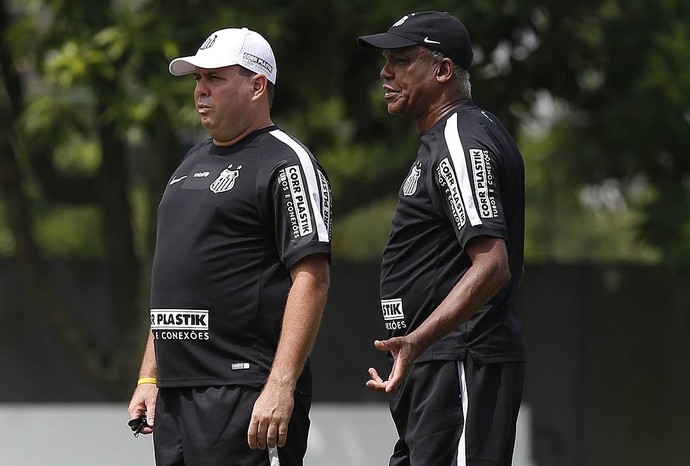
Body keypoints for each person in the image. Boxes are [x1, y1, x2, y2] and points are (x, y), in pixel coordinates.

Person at [127, 27, 332, 466]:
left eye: (215, 79)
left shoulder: (285, 161)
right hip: (178, 396)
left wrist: (280, 385)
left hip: (245, 392)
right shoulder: (190, 161)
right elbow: (176, 280)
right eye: (197, 80)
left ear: (257, 85)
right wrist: (150, 376)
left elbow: (311, 279)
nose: (200, 91)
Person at [357, 11, 526, 466]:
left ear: (443, 70)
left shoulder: (460, 138)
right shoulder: (445, 138)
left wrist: (418, 340)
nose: (385, 71)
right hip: (435, 366)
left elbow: (492, 264)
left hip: (459, 358)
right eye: (386, 60)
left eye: (400, 60)